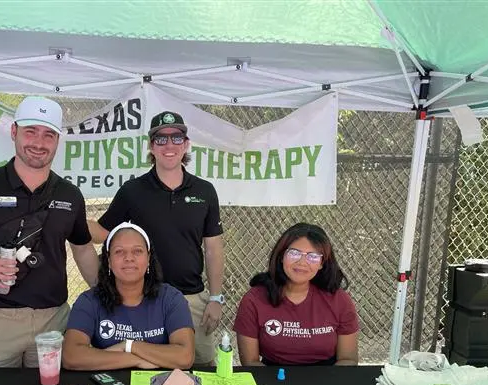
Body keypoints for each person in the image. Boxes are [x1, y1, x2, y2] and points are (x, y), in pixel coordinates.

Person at [0, 96, 99, 373]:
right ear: (14, 132)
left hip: (53, 320)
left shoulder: (69, 194)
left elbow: (83, 248)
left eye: (48, 135)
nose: (39, 143)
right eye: (31, 132)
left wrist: (104, 293)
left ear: (57, 141)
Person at [87, 111, 225, 366]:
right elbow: (102, 232)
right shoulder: (132, 191)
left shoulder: (205, 191)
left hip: (191, 299)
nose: (169, 145)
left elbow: (214, 249)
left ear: (186, 144)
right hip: (144, 300)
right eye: (161, 139)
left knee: (200, 369)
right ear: (151, 146)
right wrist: (72, 221)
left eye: (176, 138)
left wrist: (215, 298)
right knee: (142, 369)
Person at [62, 222, 195, 371]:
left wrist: (129, 345)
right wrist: (135, 359)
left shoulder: (171, 298)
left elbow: (185, 357)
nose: (129, 258)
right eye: (119, 252)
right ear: (109, 261)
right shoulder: (89, 301)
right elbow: (71, 356)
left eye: (137, 251)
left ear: (148, 258)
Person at [234, 223, 359, 366]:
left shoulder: (339, 300)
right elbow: (250, 362)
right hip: (272, 378)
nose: (302, 262)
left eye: (313, 257)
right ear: (281, 256)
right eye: (294, 253)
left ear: (322, 263)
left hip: (327, 379)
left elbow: (348, 360)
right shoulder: (254, 299)